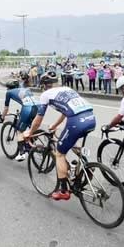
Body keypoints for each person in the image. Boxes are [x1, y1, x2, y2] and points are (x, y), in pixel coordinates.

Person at [24, 71, 96, 201]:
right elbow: (65, 111)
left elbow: (38, 119)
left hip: (76, 121)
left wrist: (29, 133)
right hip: (90, 117)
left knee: (59, 154)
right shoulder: (67, 89)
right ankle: (86, 165)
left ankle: (63, 190)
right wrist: (55, 125)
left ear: (44, 85)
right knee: (71, 141)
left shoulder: (46, 94)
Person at [0, 79, 38, 162]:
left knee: (19, 131)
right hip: (37, 108)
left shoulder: (9, 92)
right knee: (31, 127)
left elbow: (6, 108)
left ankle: (22, 154)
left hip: (27, 109)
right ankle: (31, 142)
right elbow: (28, 101)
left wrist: (2, 117)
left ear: (8, 88)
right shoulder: (25, 89)